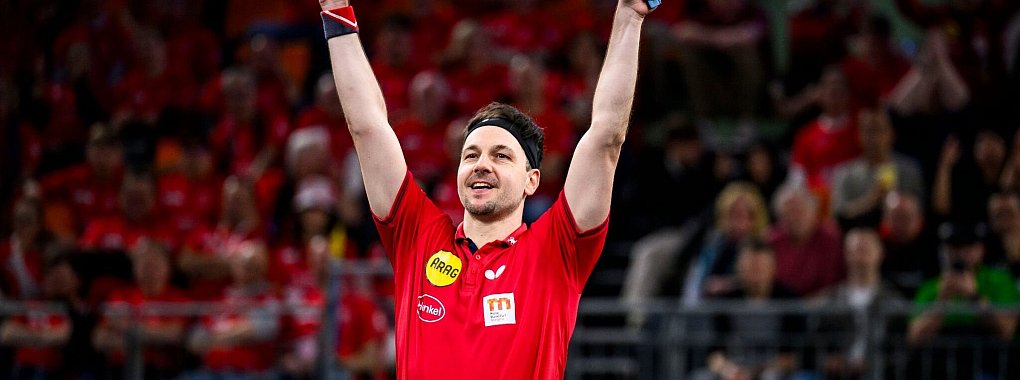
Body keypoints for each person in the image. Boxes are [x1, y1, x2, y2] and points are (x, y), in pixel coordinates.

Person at [320, 0, 653, 377]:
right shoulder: (417, 237)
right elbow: (367, 127)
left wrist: (629, 14)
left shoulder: (557, 249)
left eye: (501, 156)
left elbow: (606, 136)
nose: (482, 164)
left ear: (532, 181)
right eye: (471, 155)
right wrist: (335, 8)